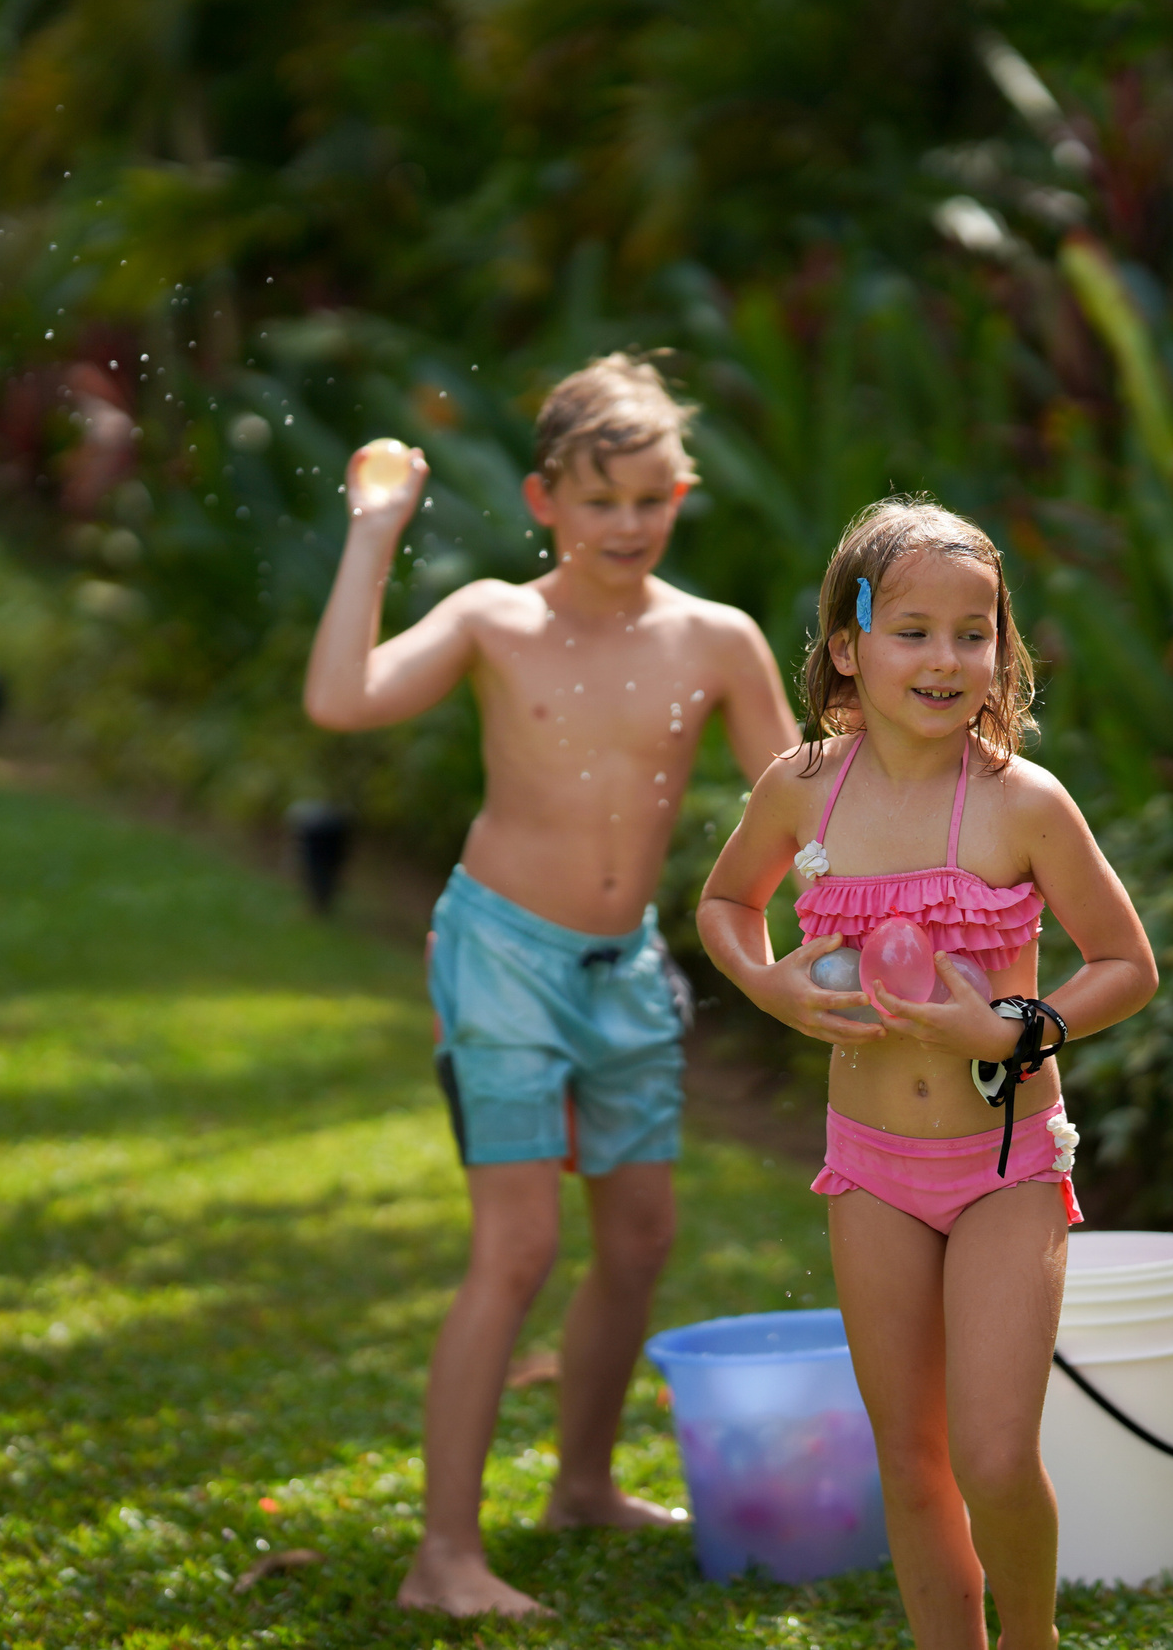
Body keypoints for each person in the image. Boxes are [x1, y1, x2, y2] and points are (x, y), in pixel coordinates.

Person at [303, 353, 799, 1619]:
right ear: (545, 500)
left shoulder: (715, 638)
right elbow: (341, 698)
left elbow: (803, 806)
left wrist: (857, 921)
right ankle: (443, 1558)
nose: (626, 526)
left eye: (650, 501)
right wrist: (373, 534)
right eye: (600, 502)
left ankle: (580, 1484)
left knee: (640, 1241)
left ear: (681, 494)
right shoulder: (490, 619)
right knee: (516, 1249)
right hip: (501, 959)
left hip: (624, 966)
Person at [696, 497, 1157, 1650]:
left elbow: (1127, 965)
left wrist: (1015, 1034)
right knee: (910, 1460)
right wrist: (770, 987)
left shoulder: (1021, 804)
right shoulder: (802, 788)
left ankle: (1033, 1642)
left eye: (974, 631)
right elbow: (722, 902)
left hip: (1003, 1164)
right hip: (872, 1169)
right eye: (912, 630)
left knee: (993, 1455)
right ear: (847, 647)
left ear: (1003, 651)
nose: (946, 658)